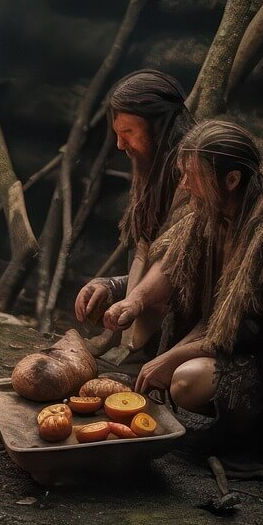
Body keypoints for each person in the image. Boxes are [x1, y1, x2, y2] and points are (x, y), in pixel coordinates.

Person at [104, 120, 263, 457]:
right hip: (243, 337)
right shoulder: (216, 205)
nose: (184, 184)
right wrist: (134, 300)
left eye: (192, 176)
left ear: (231, 179)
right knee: (171, 369)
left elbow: (255, 329)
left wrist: (175, 355)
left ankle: (247, 434)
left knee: (185, 379)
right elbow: (176, 260)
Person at [73, 69, 194, 357]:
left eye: (128, 133)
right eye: (117, 134)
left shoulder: (196, 179)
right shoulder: (151, 172)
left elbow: (182, 271)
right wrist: (113, 287)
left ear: (159, 127)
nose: (120, 145)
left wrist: (133, 300)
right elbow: (154, 261)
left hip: (190, 336)